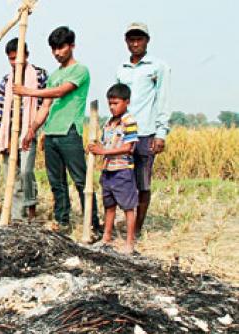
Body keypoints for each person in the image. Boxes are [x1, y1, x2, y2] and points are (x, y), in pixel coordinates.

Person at [16, 26, 101, 234]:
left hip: (70, 132)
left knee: (81, 180)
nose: (57, 52)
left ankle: (93, 223)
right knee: (57, 182)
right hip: (51, 133)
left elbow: (62, 91)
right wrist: (31, 130)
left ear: (71, 46)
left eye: (61, 47)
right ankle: (62, 220)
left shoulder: (80, 70)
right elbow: (45, 106)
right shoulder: (54, 75)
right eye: (53, 48)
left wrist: (28, 91)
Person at [116, 22, 170, 237]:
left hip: (146, 132)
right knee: (123, 179)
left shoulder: (157, 67)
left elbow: (162, 100)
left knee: (143, 182)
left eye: (139, 39)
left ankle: (137, 228)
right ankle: (127, 223)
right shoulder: (122, 68)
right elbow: (117, 100)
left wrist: (161, 133)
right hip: (124, 132)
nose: (135, 43)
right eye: (131, 39)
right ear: (126, 41)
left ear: (147, 41)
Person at [0, 38, 48, 221]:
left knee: (26, 172)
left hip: (28, 132)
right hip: (8, 135)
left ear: (26, 56)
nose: (15, 62)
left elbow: (46, 104)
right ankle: (16, 217)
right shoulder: (6, 80)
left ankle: (31, 209)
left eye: (18, 58)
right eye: (11, 59)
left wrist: (39, 129)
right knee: (12, 177)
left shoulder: (39, 75)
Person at [88, 83, 139, 253]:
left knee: (127, 207)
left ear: (127, 102)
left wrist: (103, 151)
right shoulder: (108, 123)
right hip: (108, 170)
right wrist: (95, 148)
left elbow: (128, 147)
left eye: (116, 103)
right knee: (109, 205)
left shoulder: (129, 122)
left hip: (122, 170)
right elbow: (104, 143)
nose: (112, 107)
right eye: (110, 103)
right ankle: (106, 237)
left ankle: (129, 242)